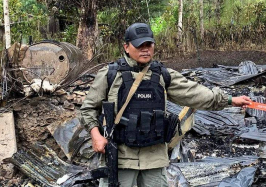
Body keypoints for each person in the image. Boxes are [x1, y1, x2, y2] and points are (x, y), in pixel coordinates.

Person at [80, 22, 251, 187]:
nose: (145, 49)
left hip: (154, 157)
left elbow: (194, 93)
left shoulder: (162, 75)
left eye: (149, 44)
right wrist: (96, 135)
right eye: (140, 45)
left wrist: (229, 100)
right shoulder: (110, 74)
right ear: (126, 47)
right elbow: (88, 109)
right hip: (120, 157)